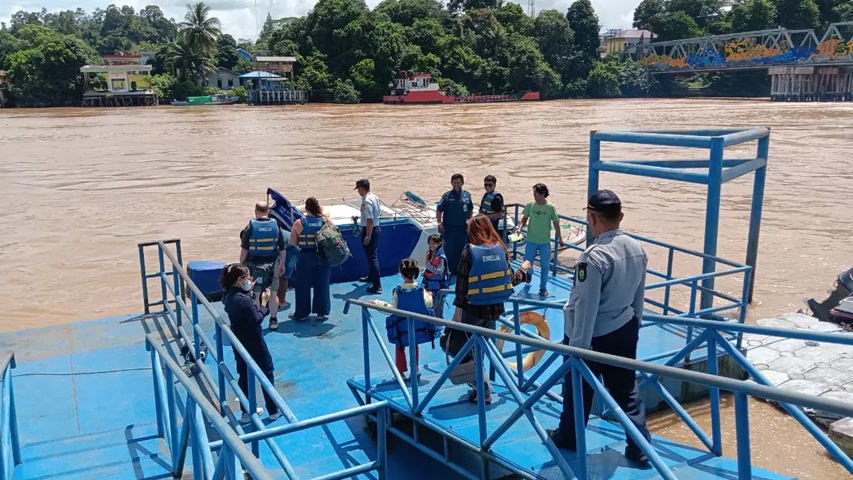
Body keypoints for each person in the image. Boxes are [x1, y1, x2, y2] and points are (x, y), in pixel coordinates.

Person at [547, 189, 651, 466]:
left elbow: (586, 305)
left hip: (593, 336)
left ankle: (569, 437)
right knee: (626, 391)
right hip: (625, 329)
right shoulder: (637, 248)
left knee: (577, 391)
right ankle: (640, 447)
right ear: (621, 216)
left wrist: (579, 349)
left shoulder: (592, 257)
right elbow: (639, 297)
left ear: (591, 219)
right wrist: (634, 326)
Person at [451, 215, 532, 404]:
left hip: (473, 309)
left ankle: (483, 390)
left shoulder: (469, 252)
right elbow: (509, 279)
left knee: (469, 351)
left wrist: (457, 311)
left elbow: (461, 285)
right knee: (482, 350)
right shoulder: (501, 249)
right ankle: (483, 386)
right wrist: (523, 270)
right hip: (494, 310)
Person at [220, 263, 281, 424]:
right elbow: (257, 319)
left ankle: (246, 412)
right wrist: (263, 303)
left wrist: (248, 293)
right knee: (266, 372)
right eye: (247, 278)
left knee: (244, 375)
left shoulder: (229, 296)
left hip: (239, 341)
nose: (250, 281)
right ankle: (274, 410)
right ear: (240, 280)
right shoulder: (244, 300)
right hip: (254, 342)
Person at [380, 258, 436, 380]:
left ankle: (400, 372)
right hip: (419, 329)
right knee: (414, 344)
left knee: (400, 345)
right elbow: (429, 305)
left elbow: (393, 308)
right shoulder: (422, 290)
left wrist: (378, 304)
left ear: (401, 273)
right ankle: (415, 370)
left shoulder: (398, 291)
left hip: (402, 330)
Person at [240, 202, 287, 330]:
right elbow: (282, 249)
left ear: (255, 211)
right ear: (268, 211)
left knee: (255, 293)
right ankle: (273, 320)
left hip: (254, 266)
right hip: (273, 265)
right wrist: (282, 265)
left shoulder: (250, 227)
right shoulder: (277, 227)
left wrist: (241, 266)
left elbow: (244, 250)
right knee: (273, 293)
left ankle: (255, 321)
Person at [515, 183, 565, 297]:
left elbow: (556, 223)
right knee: (527, 263)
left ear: (543, 194)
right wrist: (519, 228)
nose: (534, 196)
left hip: (545, 242)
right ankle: (529, 274)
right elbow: (524, 218)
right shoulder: (530, 205)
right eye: (533, 194)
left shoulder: (550, 207)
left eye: (536, 194)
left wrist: (560, 238)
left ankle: (543, 288)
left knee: (545, 266)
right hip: (531, 240)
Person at [289, 197, 332, 321]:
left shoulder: (299, 223)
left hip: (305, 256)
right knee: (322, 284)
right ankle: (321, 313)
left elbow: (293, 243)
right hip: (323, 257)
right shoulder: (326, 221)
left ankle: (302, 313)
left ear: (306, 209)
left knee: (302, 285)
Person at [436, 173, 473, 276]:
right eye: (454, 182)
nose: (456, 184)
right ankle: (449, 271)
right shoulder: (446, 196)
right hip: (449, 229)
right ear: (451, 183)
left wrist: (470, 222)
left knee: (462, 250)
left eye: (458, 182)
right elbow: (439, 211)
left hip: (462, 228)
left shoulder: (467, 195)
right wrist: (439, 223)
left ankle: (461, 270)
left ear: (462, 183)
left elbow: (470, 209)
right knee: (449, 250)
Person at [355, 179, 383, 294]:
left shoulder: (366, 201)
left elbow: (369, 220)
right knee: (371, 256)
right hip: (376, 228)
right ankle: (371, 277)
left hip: (369, 230)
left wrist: (368, 236)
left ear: (362, 188)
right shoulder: (374, 197)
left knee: (372, 258)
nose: (358, 192)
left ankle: (377, 285)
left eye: (358, 189)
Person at [422, 233, 450, 319]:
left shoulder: (441, 257)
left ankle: (439, 324)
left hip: (439, 287)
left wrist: (428, 266)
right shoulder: (430, 254)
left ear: (439, 243)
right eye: (430, 243)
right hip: (429, 285)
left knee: (438, 307)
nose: (431, 245)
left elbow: (439, 271)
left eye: (434, 243)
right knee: (429, 305)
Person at [275, 227, 300, 310]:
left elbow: (282, 251)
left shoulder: (277, 235)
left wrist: (282, 265)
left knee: (283, 275)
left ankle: (282, 301)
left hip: (292, 248)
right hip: (283, 246)